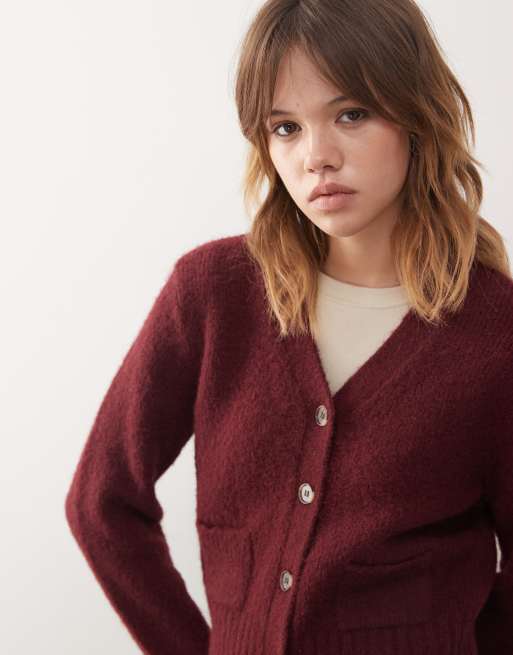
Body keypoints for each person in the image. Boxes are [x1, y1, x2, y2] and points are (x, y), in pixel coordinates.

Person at [65, 1, 513, 654]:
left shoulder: (496, 335)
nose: (316, 157)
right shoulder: (213, 294)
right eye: (285, 127)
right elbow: (101, 502)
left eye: (351, 114)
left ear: (416, 115)